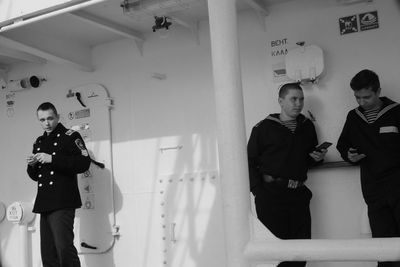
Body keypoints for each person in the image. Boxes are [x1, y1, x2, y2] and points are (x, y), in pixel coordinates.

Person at [247, 82, 327, 267]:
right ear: (281, 101)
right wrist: (258, 191)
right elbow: (249, 162)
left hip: (298, 196)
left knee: (301, 252)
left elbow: (307, 160)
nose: (298, 103)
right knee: (277, 254)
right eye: (293, 99)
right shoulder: (263, 128)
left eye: (301, 99)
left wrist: (317, 157)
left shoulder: (307, 126)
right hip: (271, 197)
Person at [337, 69, 400, 267]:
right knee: (383, 246)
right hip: (373, 189)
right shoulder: (353, 117)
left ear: (378, 91)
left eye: (367, 97)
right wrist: (349, 155)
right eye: (357, 97)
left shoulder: (397, 112)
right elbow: (343, 145)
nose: (362, 102)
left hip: (398, 185)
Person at [27, 102, 91, 267]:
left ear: (58, 117)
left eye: (50, 118)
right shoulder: (39, 141)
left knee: (64, 249)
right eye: (42, 120)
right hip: (45, 203)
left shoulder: (70, 136)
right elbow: (35, 176)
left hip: (63, 201)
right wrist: (32, 165)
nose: (46, 123)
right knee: (48, 254)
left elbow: (84, 163)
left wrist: (52, 159)